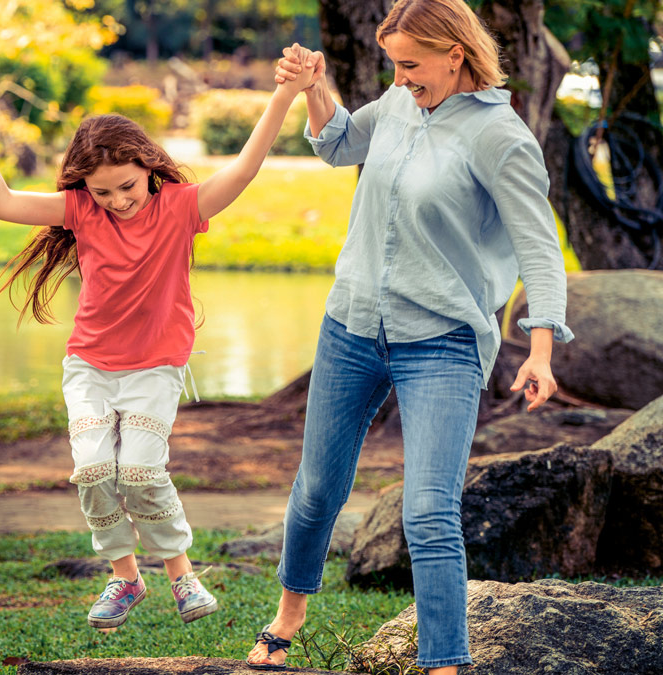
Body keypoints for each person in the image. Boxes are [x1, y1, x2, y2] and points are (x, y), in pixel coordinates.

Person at [247, 2, 574, 672]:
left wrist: (540, 348)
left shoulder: (500, 137)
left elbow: (540, 249)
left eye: (410, 64)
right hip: (352, 325)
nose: (398, 78)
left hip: (444, 341)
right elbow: (339, 143)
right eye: (394, 64)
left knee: (427, 512)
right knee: (316, 490)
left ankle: (443, 664)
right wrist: (313, 87)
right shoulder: (399, 104)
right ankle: (286, 619)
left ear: (455, 53)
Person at [0, 63, 315, 632]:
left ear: (149, 168)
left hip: (155, 368)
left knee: (140, 471)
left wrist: (286, 94)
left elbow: (243, 170)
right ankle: (124, 577)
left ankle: (180, 573)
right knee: (93, 471)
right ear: (83, 189)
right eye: (102, 192)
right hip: (89, 364)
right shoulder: (81, 210)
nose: (117, 201)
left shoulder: (182, 207)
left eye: (127, 187)